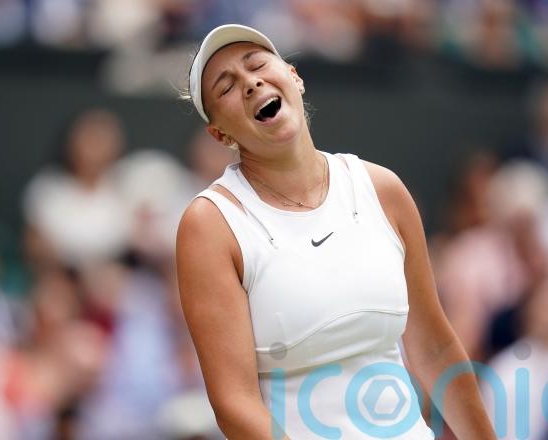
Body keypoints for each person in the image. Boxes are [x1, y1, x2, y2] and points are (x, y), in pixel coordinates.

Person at [176, 24, 495, 439]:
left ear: (294, 77)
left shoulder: (383, 189)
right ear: (220, 133)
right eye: (227, 87)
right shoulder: (210, 225)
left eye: (256, 65)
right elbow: (234, 404)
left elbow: (435, 348)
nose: (250, 83)